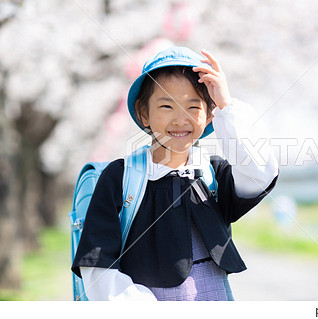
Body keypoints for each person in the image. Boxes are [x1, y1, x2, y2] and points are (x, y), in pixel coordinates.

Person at [71, 47, 278, 301]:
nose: (181, 119)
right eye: (167, 106)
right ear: (143, 113)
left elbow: (260, 173)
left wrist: (227, 106)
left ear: (209, 114)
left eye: (193, 106)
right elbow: (97, 270)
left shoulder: (212, 173)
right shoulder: (120, 178)